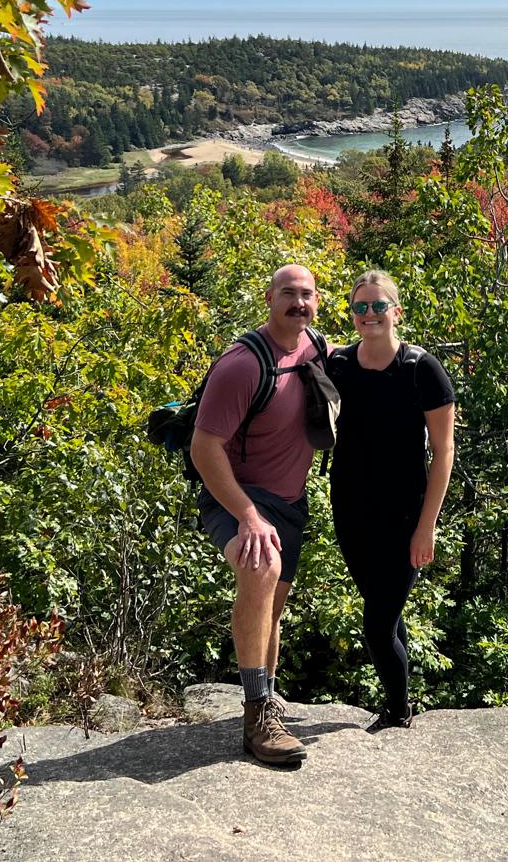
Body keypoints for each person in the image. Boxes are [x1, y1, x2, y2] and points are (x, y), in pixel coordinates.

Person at [189, 263, 326, 766]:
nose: (298, 303)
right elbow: (205, 450)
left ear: (317, 302)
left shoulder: (315, 347)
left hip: (289, 501)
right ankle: (256, 715)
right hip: (236, 494)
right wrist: (246, 514)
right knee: (259, 567)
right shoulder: (243, 365)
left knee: (274, 603)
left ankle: (266, 689)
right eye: (288, 294)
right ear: (268, 298)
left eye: (307, 294)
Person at [326, 269, 457, 732]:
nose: (369, 314)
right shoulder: (337, 364)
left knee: (378, 622)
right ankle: (399, 701)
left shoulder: (421, 368)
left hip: (405, 515)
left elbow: (443, 452)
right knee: (385, 609)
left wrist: (428, 526)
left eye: (379, 305)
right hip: (350, 509)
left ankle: (398, 712)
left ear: (396, 312)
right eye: (360, 306)